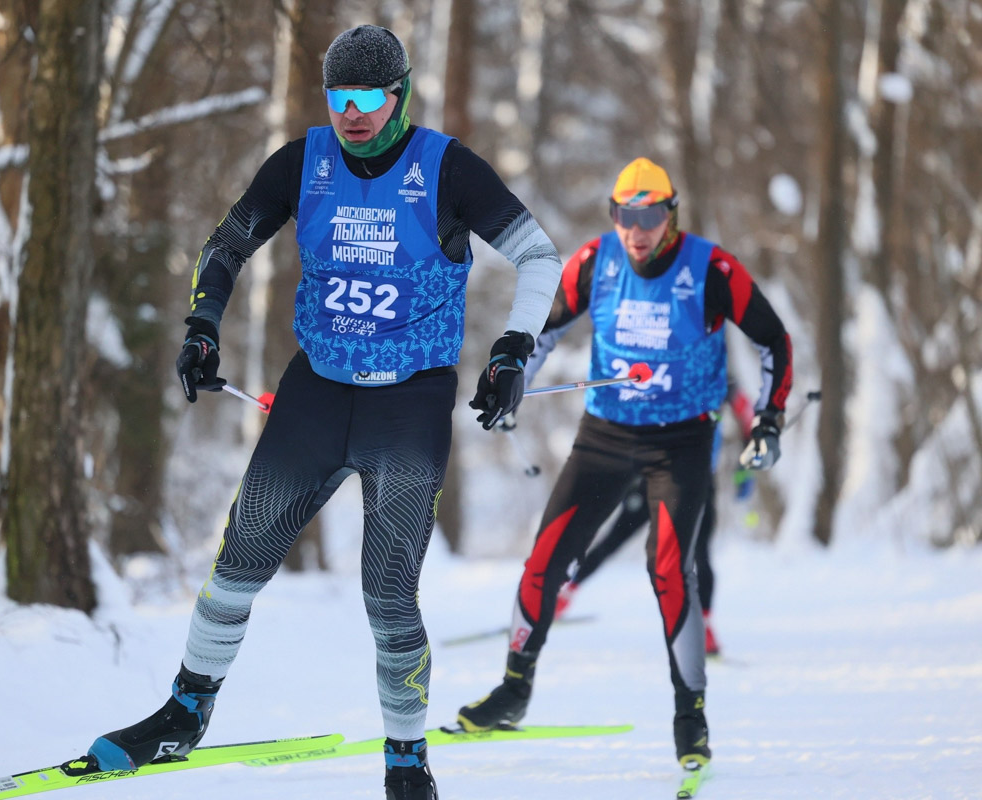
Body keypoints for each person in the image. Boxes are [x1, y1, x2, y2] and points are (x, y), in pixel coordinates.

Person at [83, 25, 563, 800]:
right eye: (339, 98)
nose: (352, 114)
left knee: (387, 592)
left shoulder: (446, 168)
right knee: (237, 560)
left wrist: (512, 349)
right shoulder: (302, 162)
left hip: (408, 400)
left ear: (399, 96)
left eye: (369, 98)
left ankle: (407, 761)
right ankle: (183, 711)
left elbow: (540, 256)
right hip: (317, 389)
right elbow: (227, 241)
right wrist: (202, 326)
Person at [456, 157, 792, 774]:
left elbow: (773, 338)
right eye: (624, 215)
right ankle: (514, 689)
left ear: (671, 215)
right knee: (545, 558)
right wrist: (512, 383)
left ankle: (690, 715)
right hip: (606, 436)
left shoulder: (710, 268)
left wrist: (769, 418)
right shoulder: (596, 263)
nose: (636, 230)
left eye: (650, 215)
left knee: (667, 568)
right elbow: (545, 329)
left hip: (683, 442)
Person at [549, 381, 757, 657]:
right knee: (615, 538)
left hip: (699, 481)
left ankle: (704, 628)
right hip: (655, 475)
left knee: (700, 554)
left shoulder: (722, 381)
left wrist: (745, 469)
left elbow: (749, 421)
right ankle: (561, 596)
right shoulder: (667, 368)